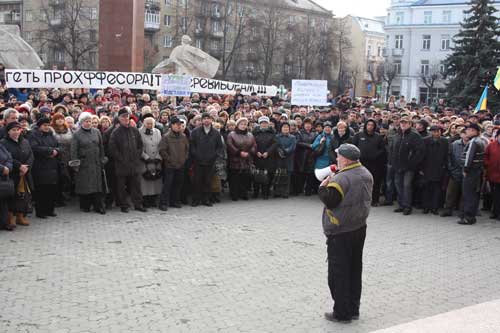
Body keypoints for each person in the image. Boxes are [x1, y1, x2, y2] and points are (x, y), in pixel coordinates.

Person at [319, 143, 373, 323]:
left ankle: (342, 313)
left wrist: (323, 187)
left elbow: (330, 200)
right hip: (359, 227)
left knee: (338, 273)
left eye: (338, 156)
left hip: (340, 231)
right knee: (354, 269)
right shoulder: (366, 173)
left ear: (346, 159)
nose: (336, 159)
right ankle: (353, 308)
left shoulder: (342, 179)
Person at [108, 108, 147, 213]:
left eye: (127, 116)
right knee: (122, 186)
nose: (126, 118)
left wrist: (137, 156)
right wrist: (121, 159)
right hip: (122, 165)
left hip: (134, 163)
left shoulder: (134, 130)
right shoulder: (115, 133)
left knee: (136, 185)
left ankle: (138, 204)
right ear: (119, 118)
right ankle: (124, 205)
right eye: (123, 116)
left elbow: (140, 145)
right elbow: (112, 149)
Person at [70, 112, 106, 214]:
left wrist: (102, 158)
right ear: (82, 122)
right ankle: (85, 205)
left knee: (97, 186)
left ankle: (98, 206)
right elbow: (74, 150)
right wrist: (75, 164)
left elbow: (101, 147)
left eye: (90, 121)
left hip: (96, 163)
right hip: (84, 164)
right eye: (86, 121)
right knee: (85, 186)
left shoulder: (97, 132)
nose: (89, 123)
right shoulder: (77, 134)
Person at [0, 121, 34, 227]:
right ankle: (11, 218)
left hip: (25, 173)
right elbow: (8, 158)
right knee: (13, 196)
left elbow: (31, 155)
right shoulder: (4, 142)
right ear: (8, 132)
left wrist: (26, 167)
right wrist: (19, 166)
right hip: (13, 173)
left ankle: (20, 216)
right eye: (13, 130)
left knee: (24, 196)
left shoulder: (24, 141)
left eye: (18, 130)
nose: (16, 132)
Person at [391, 116, 425, 215]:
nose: (403, 124)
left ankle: (407, 206)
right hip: (397, 166)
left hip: (409, 167)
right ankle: (401, 205)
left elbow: (420, 152)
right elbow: (392, 150)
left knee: (407, 186)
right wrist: (392, 162)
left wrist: (411, 164)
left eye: (405, 122)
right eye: (402, 122)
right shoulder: (397, 135)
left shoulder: (415, 136)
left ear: (410, 124)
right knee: (398, 184)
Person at [29, 117, 61, 219]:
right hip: (40, 167)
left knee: (51, 189)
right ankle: (41, 211)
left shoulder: (51, 135)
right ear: (39, 126)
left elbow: (58, 146)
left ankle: (50, 210)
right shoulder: (33, 135)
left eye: (48, 125)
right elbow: (34, 148)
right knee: (41, 190)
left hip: (52, 166)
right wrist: (50, 151)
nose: (47, 127)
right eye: (44, 125)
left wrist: (56, 151)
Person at [190, 113, 223, 207]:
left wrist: (214, 156)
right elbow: (192, 145)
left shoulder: (216, 133)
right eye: (204, 118)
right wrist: (196, 155)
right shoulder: (195, 131)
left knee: (208, 181)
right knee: (197, 181)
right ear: (202, 120)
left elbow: (219, 147)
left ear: (211, 120)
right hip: (198, 161)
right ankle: (196, 199)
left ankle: (206, 199)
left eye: (208, 118)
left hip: (210, 161)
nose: (206, 120)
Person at [351, 119, 386, 206]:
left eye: (372, 125)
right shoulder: (358, 135)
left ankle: (375, 200)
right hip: (361, 163)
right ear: (366, 126)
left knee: (375, 182)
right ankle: (360, 199)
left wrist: (375, 155)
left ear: (374, 127)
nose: (370, 126)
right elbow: (353, 147)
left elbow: (382, 149)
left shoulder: (378, 137)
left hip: (375, 164)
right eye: (368, 125)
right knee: (360, 182)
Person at [158, 116, 189, 211]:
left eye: (180, 124)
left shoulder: (183, 136)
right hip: (170, 165)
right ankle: (163, 203)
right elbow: (162, 150)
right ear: (172, 125)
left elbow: (187, 149)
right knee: (167, 185)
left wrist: (184, 159)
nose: (179, 126)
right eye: (177, 124)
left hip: (180, 164)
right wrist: (169, 160)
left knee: (178, 184)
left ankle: (174, 201)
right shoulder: (166, 137)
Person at [459, 123, 486, 225]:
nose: (467, 132)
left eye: (469, 130)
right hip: (477, 171)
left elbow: (469, 158)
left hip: (471, 172)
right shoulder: (481, 141)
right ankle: (472, 216)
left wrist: (466, 169)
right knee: (474, 194)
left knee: (468, 194)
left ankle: (468, 217)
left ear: (474, 131)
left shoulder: (473, 142)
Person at [420, 126, 448, 215]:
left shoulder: (445, 141)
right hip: (427, 168)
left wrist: (445, 167)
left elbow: (447, 155)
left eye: (437, 131)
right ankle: (425, 207)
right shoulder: (425, 140)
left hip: (439, 168)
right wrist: (421, 168)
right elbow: (421, 155)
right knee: (426, 189)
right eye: (434, 132)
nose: (436, 133)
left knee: (437, 189)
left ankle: (434, 207)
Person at [226, 117, 256, 201]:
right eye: (242, 124)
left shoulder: (250, 135)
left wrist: (249, 152)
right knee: (234, 178)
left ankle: (244, 193)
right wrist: (239, 152)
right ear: (238, 125)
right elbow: (229, 145)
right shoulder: (231, 134)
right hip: (235, 159)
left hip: (247, 159)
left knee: (245, 178)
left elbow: (254, 145)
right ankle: (234, 194)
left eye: (245, 124)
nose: (243, 126)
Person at [441, 128, 468, 217]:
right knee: (451, 192)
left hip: (467, 173)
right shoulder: (455, 144)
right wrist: (451, 169)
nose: (466, 135)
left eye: (467, 133)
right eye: (464, 133)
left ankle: (462, 211)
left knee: (464, 193)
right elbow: (449, 157)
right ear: (461, 135)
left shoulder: (473, 144)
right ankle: (448, 209)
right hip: (455, 171)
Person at [138, 116, 163, 208]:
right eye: (148, 123)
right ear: (144, 124)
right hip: (145, 161)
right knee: (145, 181)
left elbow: (160, 145)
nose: (150, 125)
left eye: (151, 123)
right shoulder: (139, 132)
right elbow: (139, 147)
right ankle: (145, 200)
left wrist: (158, 157)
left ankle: (154, 200)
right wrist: (146, 157)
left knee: (156, 180)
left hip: (156, 160)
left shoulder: (158, 132)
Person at [253, 116, 278, 200]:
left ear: (268, 124)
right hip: (257, 157)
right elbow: (252, 143)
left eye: (265, 122)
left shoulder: (272, 132)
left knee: (267, 175)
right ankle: (255, 192)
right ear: (259, 123)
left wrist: (268, 152)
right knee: (256, 175)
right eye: (262, 122)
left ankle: (265, 193)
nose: (264, 124)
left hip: (268, 157)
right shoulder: (255, 132)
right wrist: (256, 151)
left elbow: (274, 144)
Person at [274, 122, 296, 198]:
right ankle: (277, 192)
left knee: (287, 176)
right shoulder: (277, 137)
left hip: (288, 158)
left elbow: (293, 147)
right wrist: (279, 151)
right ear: (281, 128)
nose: (285, 128)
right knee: (279, 175)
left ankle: (285, 192)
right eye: (284, 127)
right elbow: (276, 146)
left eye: (287, 127)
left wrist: (286, 151)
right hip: (279, 158)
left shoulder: (292, 137)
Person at [484, 130, 500, 220]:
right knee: (494, 195)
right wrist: (488, 164)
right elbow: (485, 156)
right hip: (493, 175)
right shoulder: (491, 145)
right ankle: (495, 212)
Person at [0, 140, 14, 230]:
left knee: (3, 202)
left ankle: (3, 223)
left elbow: (9, 157)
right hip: (2, 172)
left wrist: (8, 167)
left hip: (3, 178)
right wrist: (2, 168)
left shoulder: (1, 145)